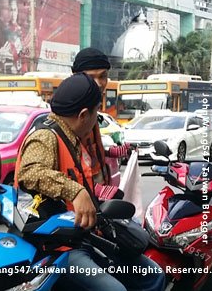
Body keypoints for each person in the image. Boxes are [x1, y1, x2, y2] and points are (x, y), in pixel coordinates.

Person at [16, 73, 164, 291]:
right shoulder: (46, 136)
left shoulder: (71, 137)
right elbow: (29, 172)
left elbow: (79, 175)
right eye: (97, 113)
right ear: (84, 114)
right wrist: (75, 192)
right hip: (59, 245)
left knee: (153, 275)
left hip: (85, 234)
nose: (97, 119)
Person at [72, 47, 129, 190]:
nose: (98, 83)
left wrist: (109, 152)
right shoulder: (68, 114)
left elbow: (87, 152)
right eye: (91, 77)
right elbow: (32, 173)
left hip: (96, 193)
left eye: (103, 76)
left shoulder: (94, 111)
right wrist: (77, 192)